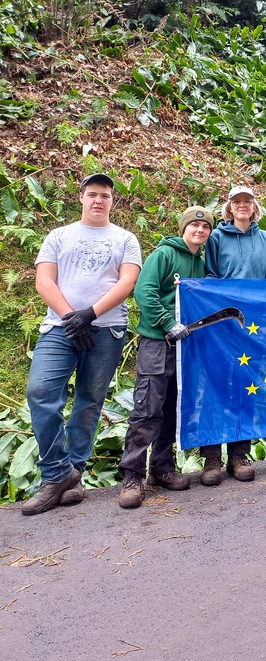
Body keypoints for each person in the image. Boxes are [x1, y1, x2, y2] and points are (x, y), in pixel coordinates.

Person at [22, 173, 142, 516]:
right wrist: (70, 318)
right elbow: (44, 281)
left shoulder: (125, 238)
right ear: (81, 198)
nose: (98, 200)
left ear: (112, 200)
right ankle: (58, 474)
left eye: (105, 195)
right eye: (92, 194)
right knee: (41, 393)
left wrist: (89, 314)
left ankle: (73, 474)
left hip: (106, 331)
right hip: (59, 329)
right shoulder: (59, 236)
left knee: (89, 402)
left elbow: (127, 281)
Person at [117, 207, 214, 508]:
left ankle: (161, 467)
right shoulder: (163, 255)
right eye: (194, 225)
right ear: (184, 227)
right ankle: (132, 475)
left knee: (174, 406)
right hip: (158, 342)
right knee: (147, 408)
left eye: (205, 226)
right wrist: (166, 322)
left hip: (186, 345)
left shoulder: (201, 263)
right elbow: (144, 292)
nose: (199, 230)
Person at [200, 185, 266, 485]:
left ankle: (238, 454)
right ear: (229, 207)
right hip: (222, 324)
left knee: (245, 386)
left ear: (254, 207)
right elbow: (210, 276)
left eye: (248, 201)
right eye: (237, 202)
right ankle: (211, 457)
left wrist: (265, 316)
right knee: (215, 384)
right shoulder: (217, 238)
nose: (242, 206)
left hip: (254, 326)